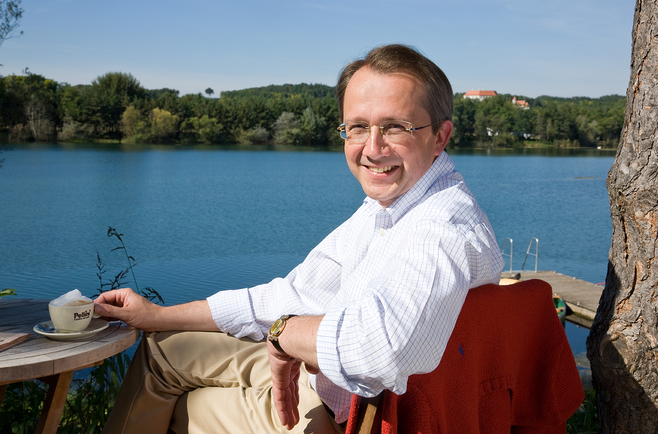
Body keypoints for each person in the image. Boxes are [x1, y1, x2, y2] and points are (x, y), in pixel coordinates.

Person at [95, 44, 504, 434]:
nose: (373, 149)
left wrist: (284, 334)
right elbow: (294, 294)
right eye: (358, 127)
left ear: (440, 137)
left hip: (344, 414)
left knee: (190, 407)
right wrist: (159, 315)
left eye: (396, 127)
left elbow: (382, 349)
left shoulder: (439, 227)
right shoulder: (390, 206)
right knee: (162, 349)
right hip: (322, 381)